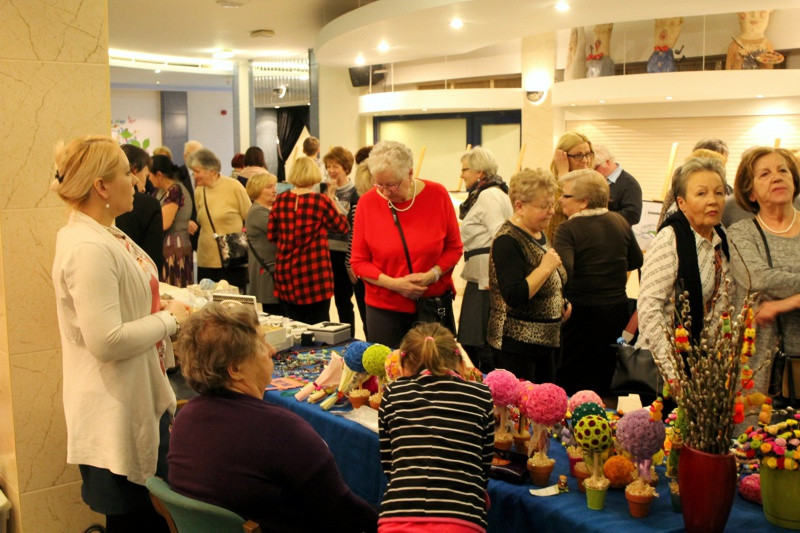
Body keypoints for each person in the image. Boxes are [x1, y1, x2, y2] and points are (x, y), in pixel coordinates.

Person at [51, 136, 190, 532]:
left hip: (136, 396)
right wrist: (170, 320)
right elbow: (106, 339)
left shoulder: (106, 232)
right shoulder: (87, 247)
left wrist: (161, 306)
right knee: (135, 521)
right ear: (101, 187)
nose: (137, 182)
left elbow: (126, 300)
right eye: (127, 174)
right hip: (114, 408)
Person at [169, 303, 377, 532]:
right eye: (261, 343)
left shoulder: (183, 419)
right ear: (235, 368)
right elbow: (345, 513)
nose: (272, 350)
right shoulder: (283, 431)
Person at [379, 322, 493, 532]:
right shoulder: (481, 395)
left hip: (398, 517)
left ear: (402, 367)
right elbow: (483, 466)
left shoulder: (393, 393)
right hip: (463, 519)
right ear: (460, 362)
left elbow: (390, 464)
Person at [351, 141, 462, 348]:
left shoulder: (437, 195)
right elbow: (358, 262)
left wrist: (432, 274)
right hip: (384, 309)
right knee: (387, 371)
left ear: (410, 173)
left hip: (431, 307)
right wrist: (395, 284)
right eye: (379, 184)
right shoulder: (367, 203)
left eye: (392, 184)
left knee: (433, 371)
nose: (385, 192)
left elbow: (454, 248)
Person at [637, 157, 730, 389]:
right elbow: (649, 310)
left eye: (719, 193)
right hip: (668, 366)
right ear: (682, 202)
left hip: (706, 364)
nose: (713, 201)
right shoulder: (670, 239)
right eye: (701, 194)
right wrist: (673, 372)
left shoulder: (722, 237)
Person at [553, 169, 643, 396]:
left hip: (580, 314)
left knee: (572, 380)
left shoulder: (568, 228)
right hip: (615, 310)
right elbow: (636, 259)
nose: (560, 200)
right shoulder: (620, 221)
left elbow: (565, 270)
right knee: (604, 376)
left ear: (583, 202)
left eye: (566, 196)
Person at [728, 147, 800, 405]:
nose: (777, 177)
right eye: (765, 174)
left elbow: (772, 284)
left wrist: (786, 302)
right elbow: (757, 279)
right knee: (762, 442)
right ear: (751, 192)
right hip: (762, 365)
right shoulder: (741, 233)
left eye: (783, 170)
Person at [487, 168, 570, 383]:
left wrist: (561, 304)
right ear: (520, 206)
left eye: (552, 204)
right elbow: (514, 295)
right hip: (517, 347)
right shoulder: (508, 240)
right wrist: (544, 268)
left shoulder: (538, 231)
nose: (551, 211)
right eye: (544, 206)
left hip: (545, 343)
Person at [267, 157, 348, 324]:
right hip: (314, 274)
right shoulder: (320, 201)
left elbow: (271, 235)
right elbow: (343, 227)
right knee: (318, 327)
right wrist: (331, 198)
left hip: (286, 273)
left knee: (293, 327)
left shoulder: (280, 200)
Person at [457, 146, 512, 373]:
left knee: (476, 338)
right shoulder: (491, 192)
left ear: (479, 172)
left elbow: (498, 234)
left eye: (465, 170)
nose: (462, 175)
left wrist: (495, 273)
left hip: (485, 273)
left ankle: (489, 383)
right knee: (475, 335)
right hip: (481, 271)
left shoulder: (488, 195)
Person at [193, 148, 252, 289]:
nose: (194, 176)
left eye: (197, 171)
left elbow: (249, 216)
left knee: (233, 304)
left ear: (211, 170)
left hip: (232, 258)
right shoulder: (199, 191)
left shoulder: (234, 186)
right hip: (206, 260)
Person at [323, 146, 359, 334]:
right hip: (325, 251)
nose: (330, 170)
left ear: (346, 167)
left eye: (335, 166)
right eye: (328, 166)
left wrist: (332, 200)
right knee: (325, 301)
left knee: (343, 300)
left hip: (345, 253)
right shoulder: (324, 189)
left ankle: (349, 338)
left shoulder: (355, 192)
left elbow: (349, 221)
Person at [116, 144, 164, 273]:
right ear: (134, 170)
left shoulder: (107, 201)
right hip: (141, 277)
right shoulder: (149, 205)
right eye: (146, 176)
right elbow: (154, 259)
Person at [149, 155, 193, 287]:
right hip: (169, 245)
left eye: (150, 176)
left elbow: (164, 222)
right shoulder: (162, 191)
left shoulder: (175, 190)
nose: (149, 180)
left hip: (175, 247)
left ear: (159, 175)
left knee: (174, 287)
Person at [245, 172, 281, 315]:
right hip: (267, 275)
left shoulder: (266, 210)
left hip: (270, 272)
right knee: (275, 316)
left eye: (274, 186)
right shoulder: (257, 213)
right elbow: (282, 232)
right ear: (258, 190)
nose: (274, 190)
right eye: (269, 187)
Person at [547, 132, 595, 241]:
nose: (585, 160)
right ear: (562, 157)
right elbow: (559, 210)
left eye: (587, 154)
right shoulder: (550, 185)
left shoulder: (594, 183)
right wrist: (563, 175)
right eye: (578, 156)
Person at [347, 160, 374, 338]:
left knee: (369, 320)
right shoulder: (362, 203)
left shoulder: (361, 203)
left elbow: (354, 237)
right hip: (362, 266)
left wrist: (350, 263)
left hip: (365, 267)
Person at [593, 144, 643, 226]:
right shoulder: (595, 180)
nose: (593, 171)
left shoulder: (630, 184)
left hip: (615, 234)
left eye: (595, 168)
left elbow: (633, 216)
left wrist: (602, 217)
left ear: (608, 162)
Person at [178, 140, 202, 250]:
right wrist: (185, 221)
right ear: (185, 156)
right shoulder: (177, 174)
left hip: (204, 230)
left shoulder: (207, 174)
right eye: (194, 155)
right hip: (185, 230)